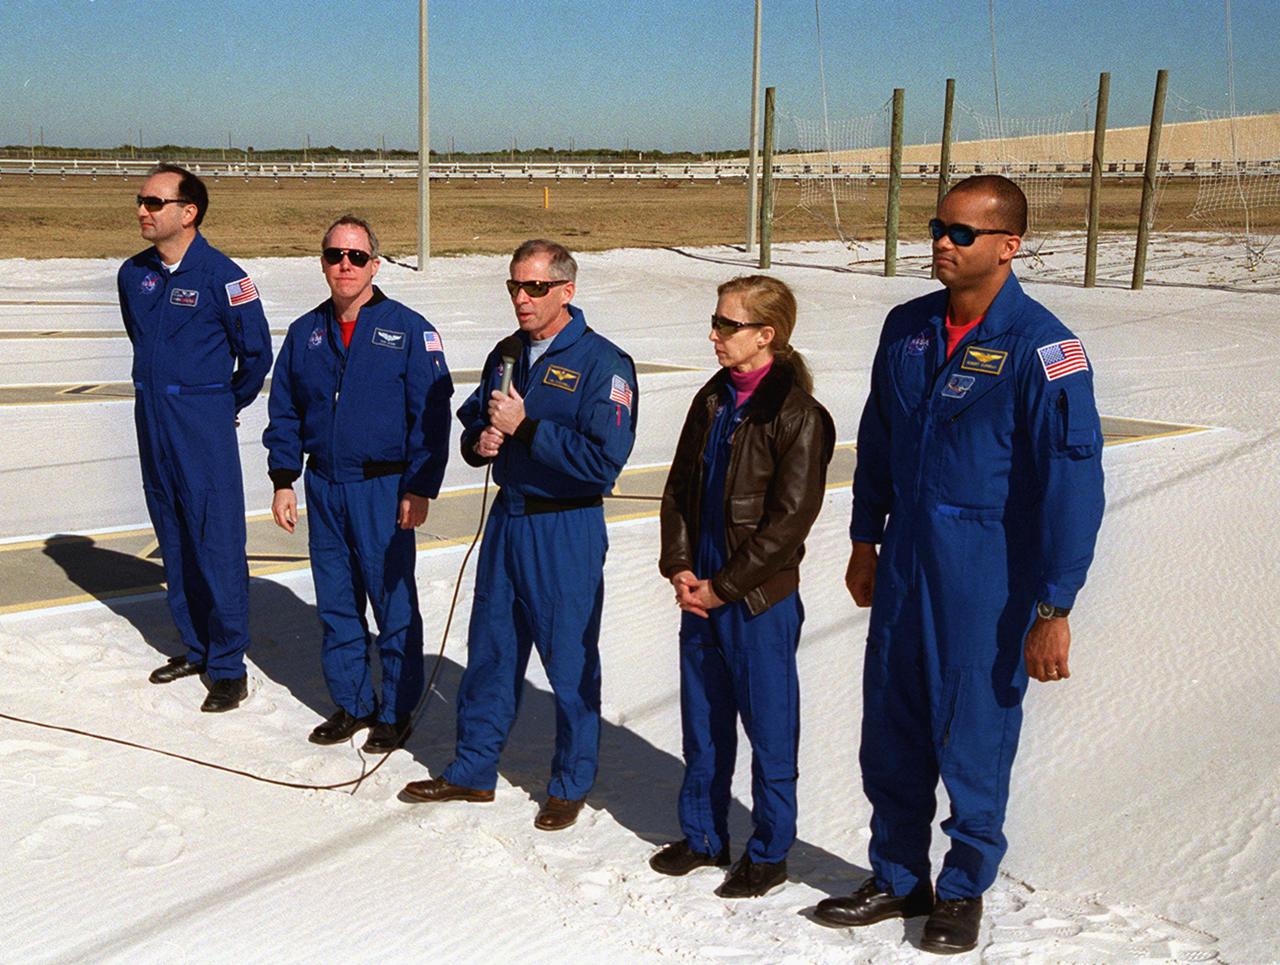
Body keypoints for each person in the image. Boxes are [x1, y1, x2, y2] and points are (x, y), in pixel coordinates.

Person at [814, 175, 1105, 953]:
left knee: (973, 735)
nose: (944, 241)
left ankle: (962, 887)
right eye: (939, 226)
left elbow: (1073, 484)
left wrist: (1055, 605)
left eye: (964, 233)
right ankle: (897, 874)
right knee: (893, 726)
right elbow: (878, 438)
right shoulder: (906, 328)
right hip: (906, 559)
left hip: (988, 576)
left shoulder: (1046, 349)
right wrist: (864, 537)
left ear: (1009, 246)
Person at [401, 239, 637, 831]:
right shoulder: (506, 353)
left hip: (566, 525)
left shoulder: (604, 364)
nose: (522, 299)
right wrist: (479, 443)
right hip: (509, 520)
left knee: (569, 658)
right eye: (514, 286)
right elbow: (478, 420)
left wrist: (528, 429)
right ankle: (473, 770)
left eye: (534, 288)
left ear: (566, 291)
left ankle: (570, 781)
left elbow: (602, 463)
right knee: (492, 652)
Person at [653, 276, 834, 898]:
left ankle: (770, 849)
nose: (715, 334)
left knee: (769, 726)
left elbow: (788, 525)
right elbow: (677, 491)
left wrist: (724, 588)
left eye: (728, 325)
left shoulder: (799, 417)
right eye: (716, 321)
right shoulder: (711, 399)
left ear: (767, 335)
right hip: (700, 583)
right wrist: (680, 567)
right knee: (703, 721)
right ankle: (703, 835)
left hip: (756, 597)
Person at [263, 215, 453, 754]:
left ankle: (395, 711)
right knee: (336, 605)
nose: (344, 266)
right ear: (322, 261)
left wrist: (421, 487)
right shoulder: (305, 333)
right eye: (333, 255)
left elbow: (431, 416)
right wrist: (284, 479)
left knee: (392, 606)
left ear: (375, 263)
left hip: (384, 491)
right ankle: (352, 702)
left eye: (355, 256)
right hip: (325, 487)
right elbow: (285, 412)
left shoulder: (410, 330)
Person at [117, 163, 272, 712]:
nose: (142, 210)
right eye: (141, 201)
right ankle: (197, 645)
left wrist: (222, 402)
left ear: (189, 212)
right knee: (173, 530)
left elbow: (256, 355)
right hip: (152, 415)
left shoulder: (225, 278)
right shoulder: (134, 274)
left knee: (215, 537)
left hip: (201, 419)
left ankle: (228, 664)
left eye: (154, 203)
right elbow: (143, 340)